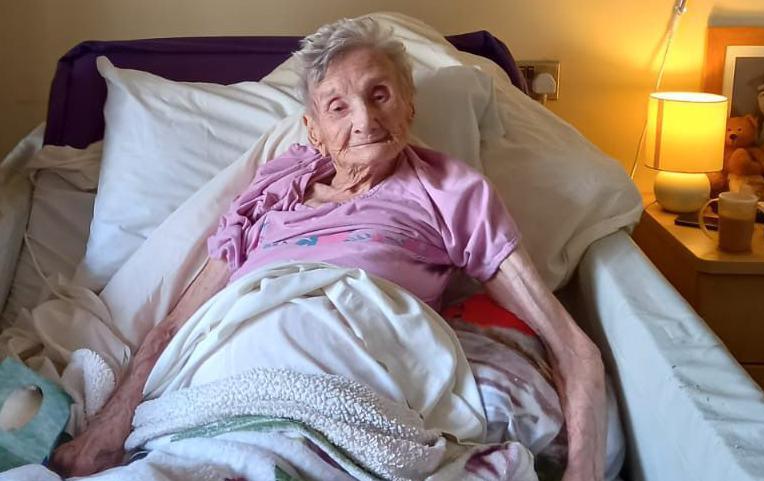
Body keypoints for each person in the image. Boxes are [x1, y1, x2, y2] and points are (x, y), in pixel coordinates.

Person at [51, 17, 606, 481]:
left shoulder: (450, 190)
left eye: (380, 94)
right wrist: (105, 432)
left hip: (350, 379)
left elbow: (573, 348)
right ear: (313, 131)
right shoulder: (272, 190)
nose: (364, 119)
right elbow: (176, 324)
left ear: (409, 105)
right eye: (337, 107)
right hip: (223, 376)